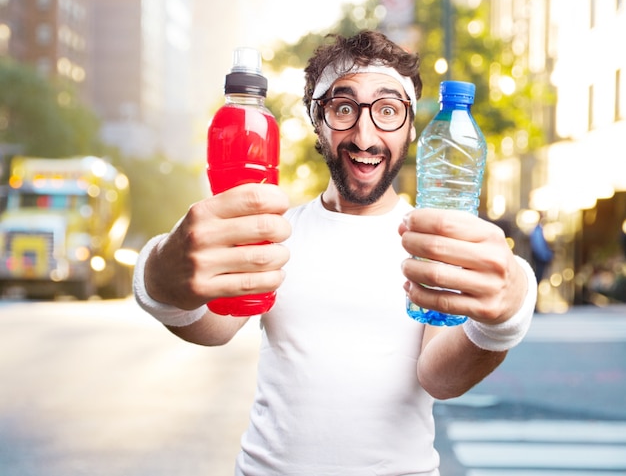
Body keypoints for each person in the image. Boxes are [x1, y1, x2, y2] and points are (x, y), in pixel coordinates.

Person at [133, 30, 537, 476]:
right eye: (343, 109)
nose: (364, 136)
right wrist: (158, 274)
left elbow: (441, 378)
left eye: (387, 110)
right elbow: (210, 327)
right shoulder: (274, 229)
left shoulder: (433, 240)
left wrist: (503, 320)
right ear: (316, 119)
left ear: (411, 127)